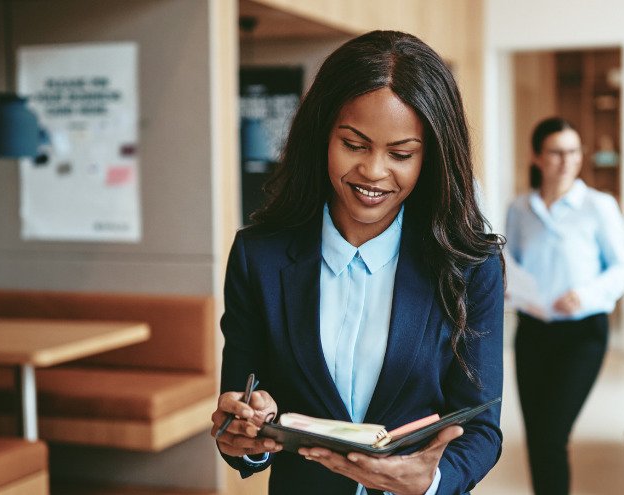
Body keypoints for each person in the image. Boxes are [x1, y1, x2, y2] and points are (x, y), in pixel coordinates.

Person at [211, 31, 505, 495]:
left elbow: (483, 429)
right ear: (323, 136)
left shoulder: (470, 266)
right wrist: (247, 432)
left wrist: (429, 482)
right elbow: (241, 411)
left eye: (401, 154)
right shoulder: (258, 256)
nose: (373, 171)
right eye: (354, 144)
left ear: (431, 157)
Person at [504, 117, 624, 494]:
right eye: (557, 152)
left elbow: (623, 267)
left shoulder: (598, 206)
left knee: (552, 434)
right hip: (532, 333)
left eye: (574, 152)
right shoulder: (520, 209)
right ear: (537, 157)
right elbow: (510, 263)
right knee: (537, 437)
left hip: (582, 335)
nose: (567, 161)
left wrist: (586, 294)